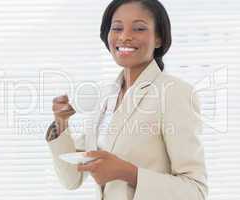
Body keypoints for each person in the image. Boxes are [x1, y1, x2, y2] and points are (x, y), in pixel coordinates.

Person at [46, 0, 208, 200]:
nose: (125, 36)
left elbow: (196, 191)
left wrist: (127, 172)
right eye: (117, 28)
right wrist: (61, 123)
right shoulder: (107, 97)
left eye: (139, 28)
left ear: (158, 39)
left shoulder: (175, 93)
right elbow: (71, 179)